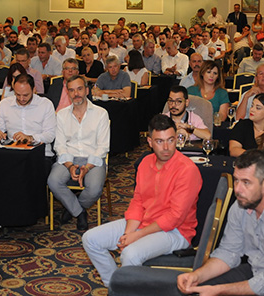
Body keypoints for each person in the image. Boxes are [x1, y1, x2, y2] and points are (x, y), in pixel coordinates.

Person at [176, 149, 264, 296]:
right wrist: (197, 276)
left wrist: (219, 290)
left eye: (246, 182)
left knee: (215, 291)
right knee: (199, 289)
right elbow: (229, 252)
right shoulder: (241, 205)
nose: (238, 189)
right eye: (236, 180)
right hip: (259, 270)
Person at [83, 114, 202, 287]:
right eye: (159, 141)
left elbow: (175, 217)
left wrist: (137, 236)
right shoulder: (145, 162)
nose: (166, 147)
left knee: (130, 254)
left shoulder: (187, 170)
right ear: (150, 142)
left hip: (176, 232)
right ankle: (115, 286)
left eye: (170, 140)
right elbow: (138, 201)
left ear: (176, 138)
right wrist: (128, 234)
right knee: (90, 239)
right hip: (145, 222)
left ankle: (124, 288)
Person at [48, 75, 110, 230]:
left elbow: (103, 147)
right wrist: (70, 166)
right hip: (68, 158)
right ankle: (79, 212)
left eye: (80, 89)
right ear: (67, 93)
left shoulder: (101, 113)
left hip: (93, 160)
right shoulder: (61, 115)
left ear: (87, 90)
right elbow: (60, 146)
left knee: (94, 188)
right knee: (53, 181)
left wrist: (87, 167)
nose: (76, 94)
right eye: (71, 90)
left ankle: (73, 207)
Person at [0, 74, 56, 157]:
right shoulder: (5, 104)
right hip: (12, 152)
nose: (21, 99)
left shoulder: (45, 104)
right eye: (17, 94)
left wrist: (30, 138)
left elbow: (50, 135)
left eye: (25, 95)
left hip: (39, 154)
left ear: (34, 90)